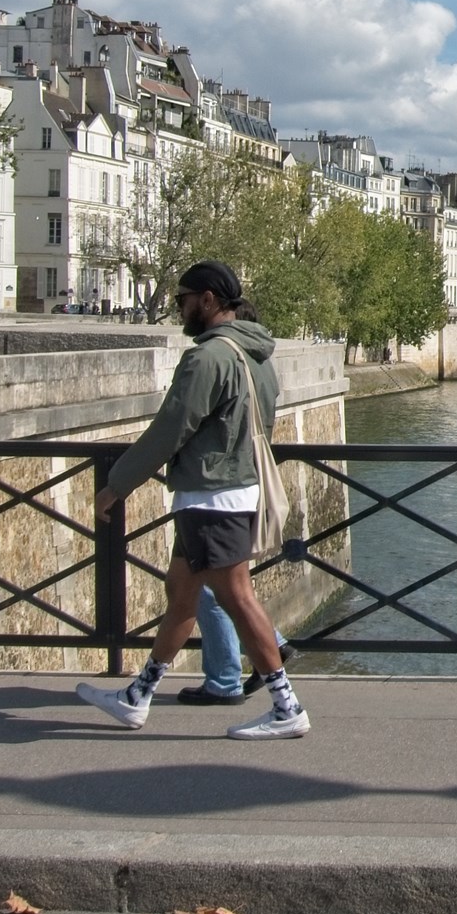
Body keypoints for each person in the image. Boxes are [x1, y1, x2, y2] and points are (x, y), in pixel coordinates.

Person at [77, 260, 308, 741]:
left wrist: (118, 483)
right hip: (233, 488)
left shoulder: (207, 359)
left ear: (207, 300)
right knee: (181, 595)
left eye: (182, 299)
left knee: (236, 597)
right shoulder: (256, 356)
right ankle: (138, 697)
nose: (178, 308)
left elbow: (171, 427)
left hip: (211, 494)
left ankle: (287, 706)